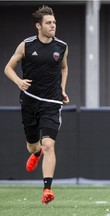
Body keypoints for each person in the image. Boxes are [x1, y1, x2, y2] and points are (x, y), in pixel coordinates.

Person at [4, 5, 69, 205]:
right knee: (33, 145)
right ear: (38, 26)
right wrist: (18, 82)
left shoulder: (62, 47)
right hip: (29, 102)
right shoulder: (26, 45)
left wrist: (63, 89)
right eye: (49, 23)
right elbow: (8, 67)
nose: (53, 26)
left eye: (54, 22)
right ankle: (36, 152)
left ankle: (47, 189)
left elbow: (64, 68)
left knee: (49, 144)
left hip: (51, 103)